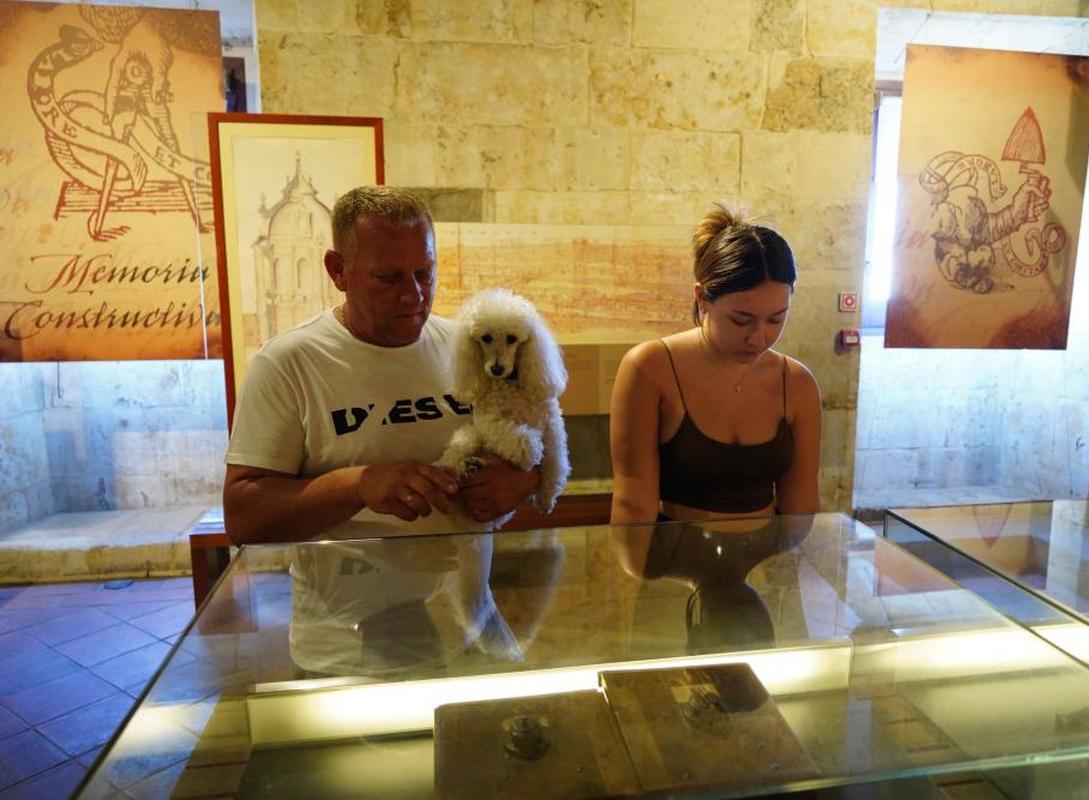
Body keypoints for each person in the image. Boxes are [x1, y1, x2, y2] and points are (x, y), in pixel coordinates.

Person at [222, 186, 539, 676]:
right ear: (337, 271)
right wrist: (359, 484)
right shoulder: (288, 364)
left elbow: (535, 444)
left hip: (468, 629)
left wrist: (522, 481)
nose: (413, 295)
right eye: (388, 277)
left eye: (424, 273)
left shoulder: (470, 346)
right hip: (344, 649)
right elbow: (243, 515)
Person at [609, 203, 822, 526]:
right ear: (702, 298)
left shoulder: (796, 382)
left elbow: (801, 505)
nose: (758, 337)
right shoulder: (649, 367)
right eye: (741, 319)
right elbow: (632, 505)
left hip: (765, 567)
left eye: (776, 319)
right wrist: (631, 575)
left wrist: (797, 573)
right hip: (675, 567)